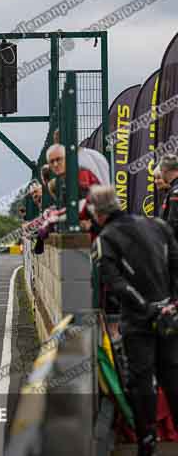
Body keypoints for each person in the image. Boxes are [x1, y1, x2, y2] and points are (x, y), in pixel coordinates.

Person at [88, 185, 178, 456]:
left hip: (139, 321)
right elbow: (175, 266)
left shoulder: (105, 238)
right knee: (173, 377)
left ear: (96, 212)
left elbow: (116, 284)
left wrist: (148, 309)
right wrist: (171, 305)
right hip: (169, 315)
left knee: (141, 380)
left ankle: (147, 441)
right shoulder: (158, 225)